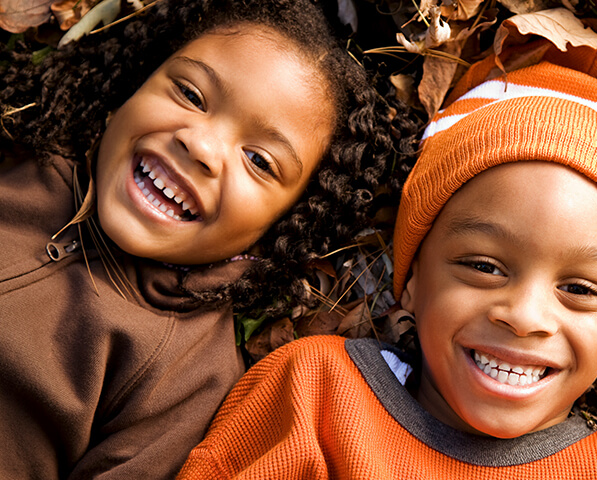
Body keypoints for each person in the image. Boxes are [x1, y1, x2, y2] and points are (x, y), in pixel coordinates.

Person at [176, 40, 597, 479]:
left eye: (581, 289)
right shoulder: (318, 397)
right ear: (410, 281)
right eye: (483, 266)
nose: (523, 317)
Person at [0, 0, 418, 477]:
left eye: (260, 161)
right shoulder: (19, 147)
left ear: (284, 225)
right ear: (140, 74)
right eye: (191, 94)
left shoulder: (186, 375)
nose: (200, 147)